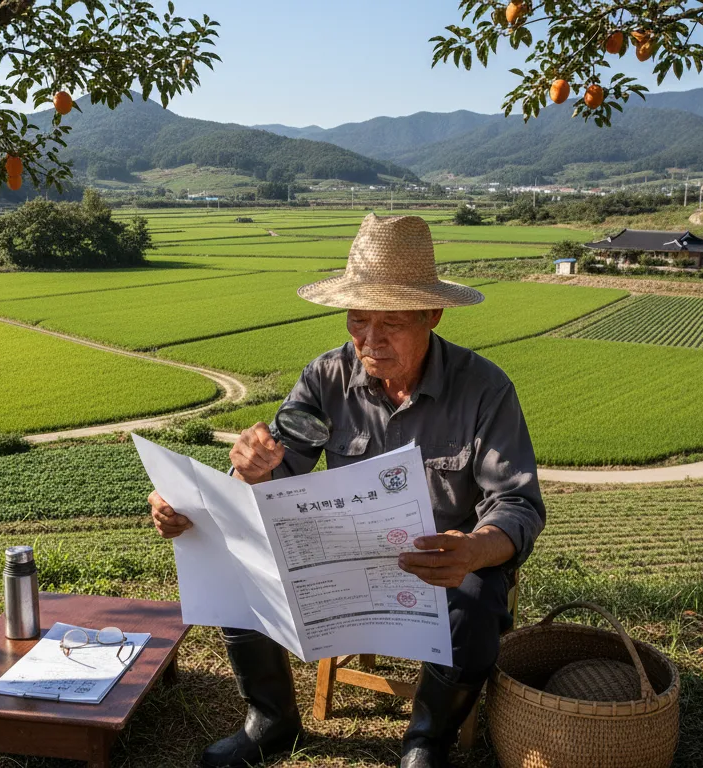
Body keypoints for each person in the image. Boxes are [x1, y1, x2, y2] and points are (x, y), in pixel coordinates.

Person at [148, 213, 546, 768]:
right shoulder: (324, 379)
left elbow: (517, 504)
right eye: (358, 321)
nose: (371, 341)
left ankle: (425, 740)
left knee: (480, 601)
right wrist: (242, 477)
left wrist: (475, 549)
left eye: (392, 325)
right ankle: (271, 720)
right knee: (235, 559)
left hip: (443, 566)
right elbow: (275, 470)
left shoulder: (485, 390)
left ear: (432, 314)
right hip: (340, 555)